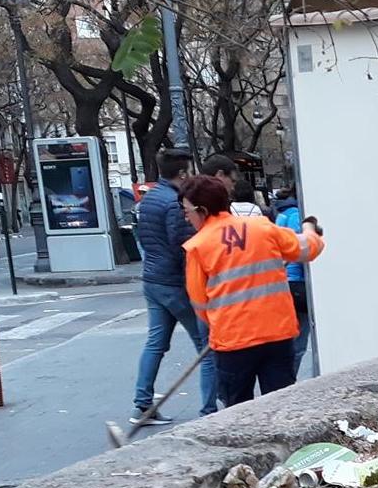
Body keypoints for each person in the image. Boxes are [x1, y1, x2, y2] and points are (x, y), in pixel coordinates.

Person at [180, 174, 323, 406]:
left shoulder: (198, 247)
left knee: (238, 413)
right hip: (277, 335)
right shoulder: (262, 228)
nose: (186, 218)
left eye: (187, 211)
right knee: (280, 408)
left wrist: (221, 325)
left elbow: (200, 304)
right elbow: (307, 249)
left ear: (202, 210)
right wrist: (310, 229)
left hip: (233, 342)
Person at [131, 149, 219, 423]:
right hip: (175, 284)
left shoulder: (150, 199)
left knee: (156, 343)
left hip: (153, 279)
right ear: (182, 173)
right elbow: (183, 247)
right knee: (207, 348)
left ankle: (143, 403)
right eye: (190, 171)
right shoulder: (173, 203)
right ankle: (210, 411)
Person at [273, 189, 313, 373]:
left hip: (283, 282)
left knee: (288, 339)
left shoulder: (282, 215)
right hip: (298, 284)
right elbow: (302, 250)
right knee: (299, 343)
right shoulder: (298, 216)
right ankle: (289, 380)